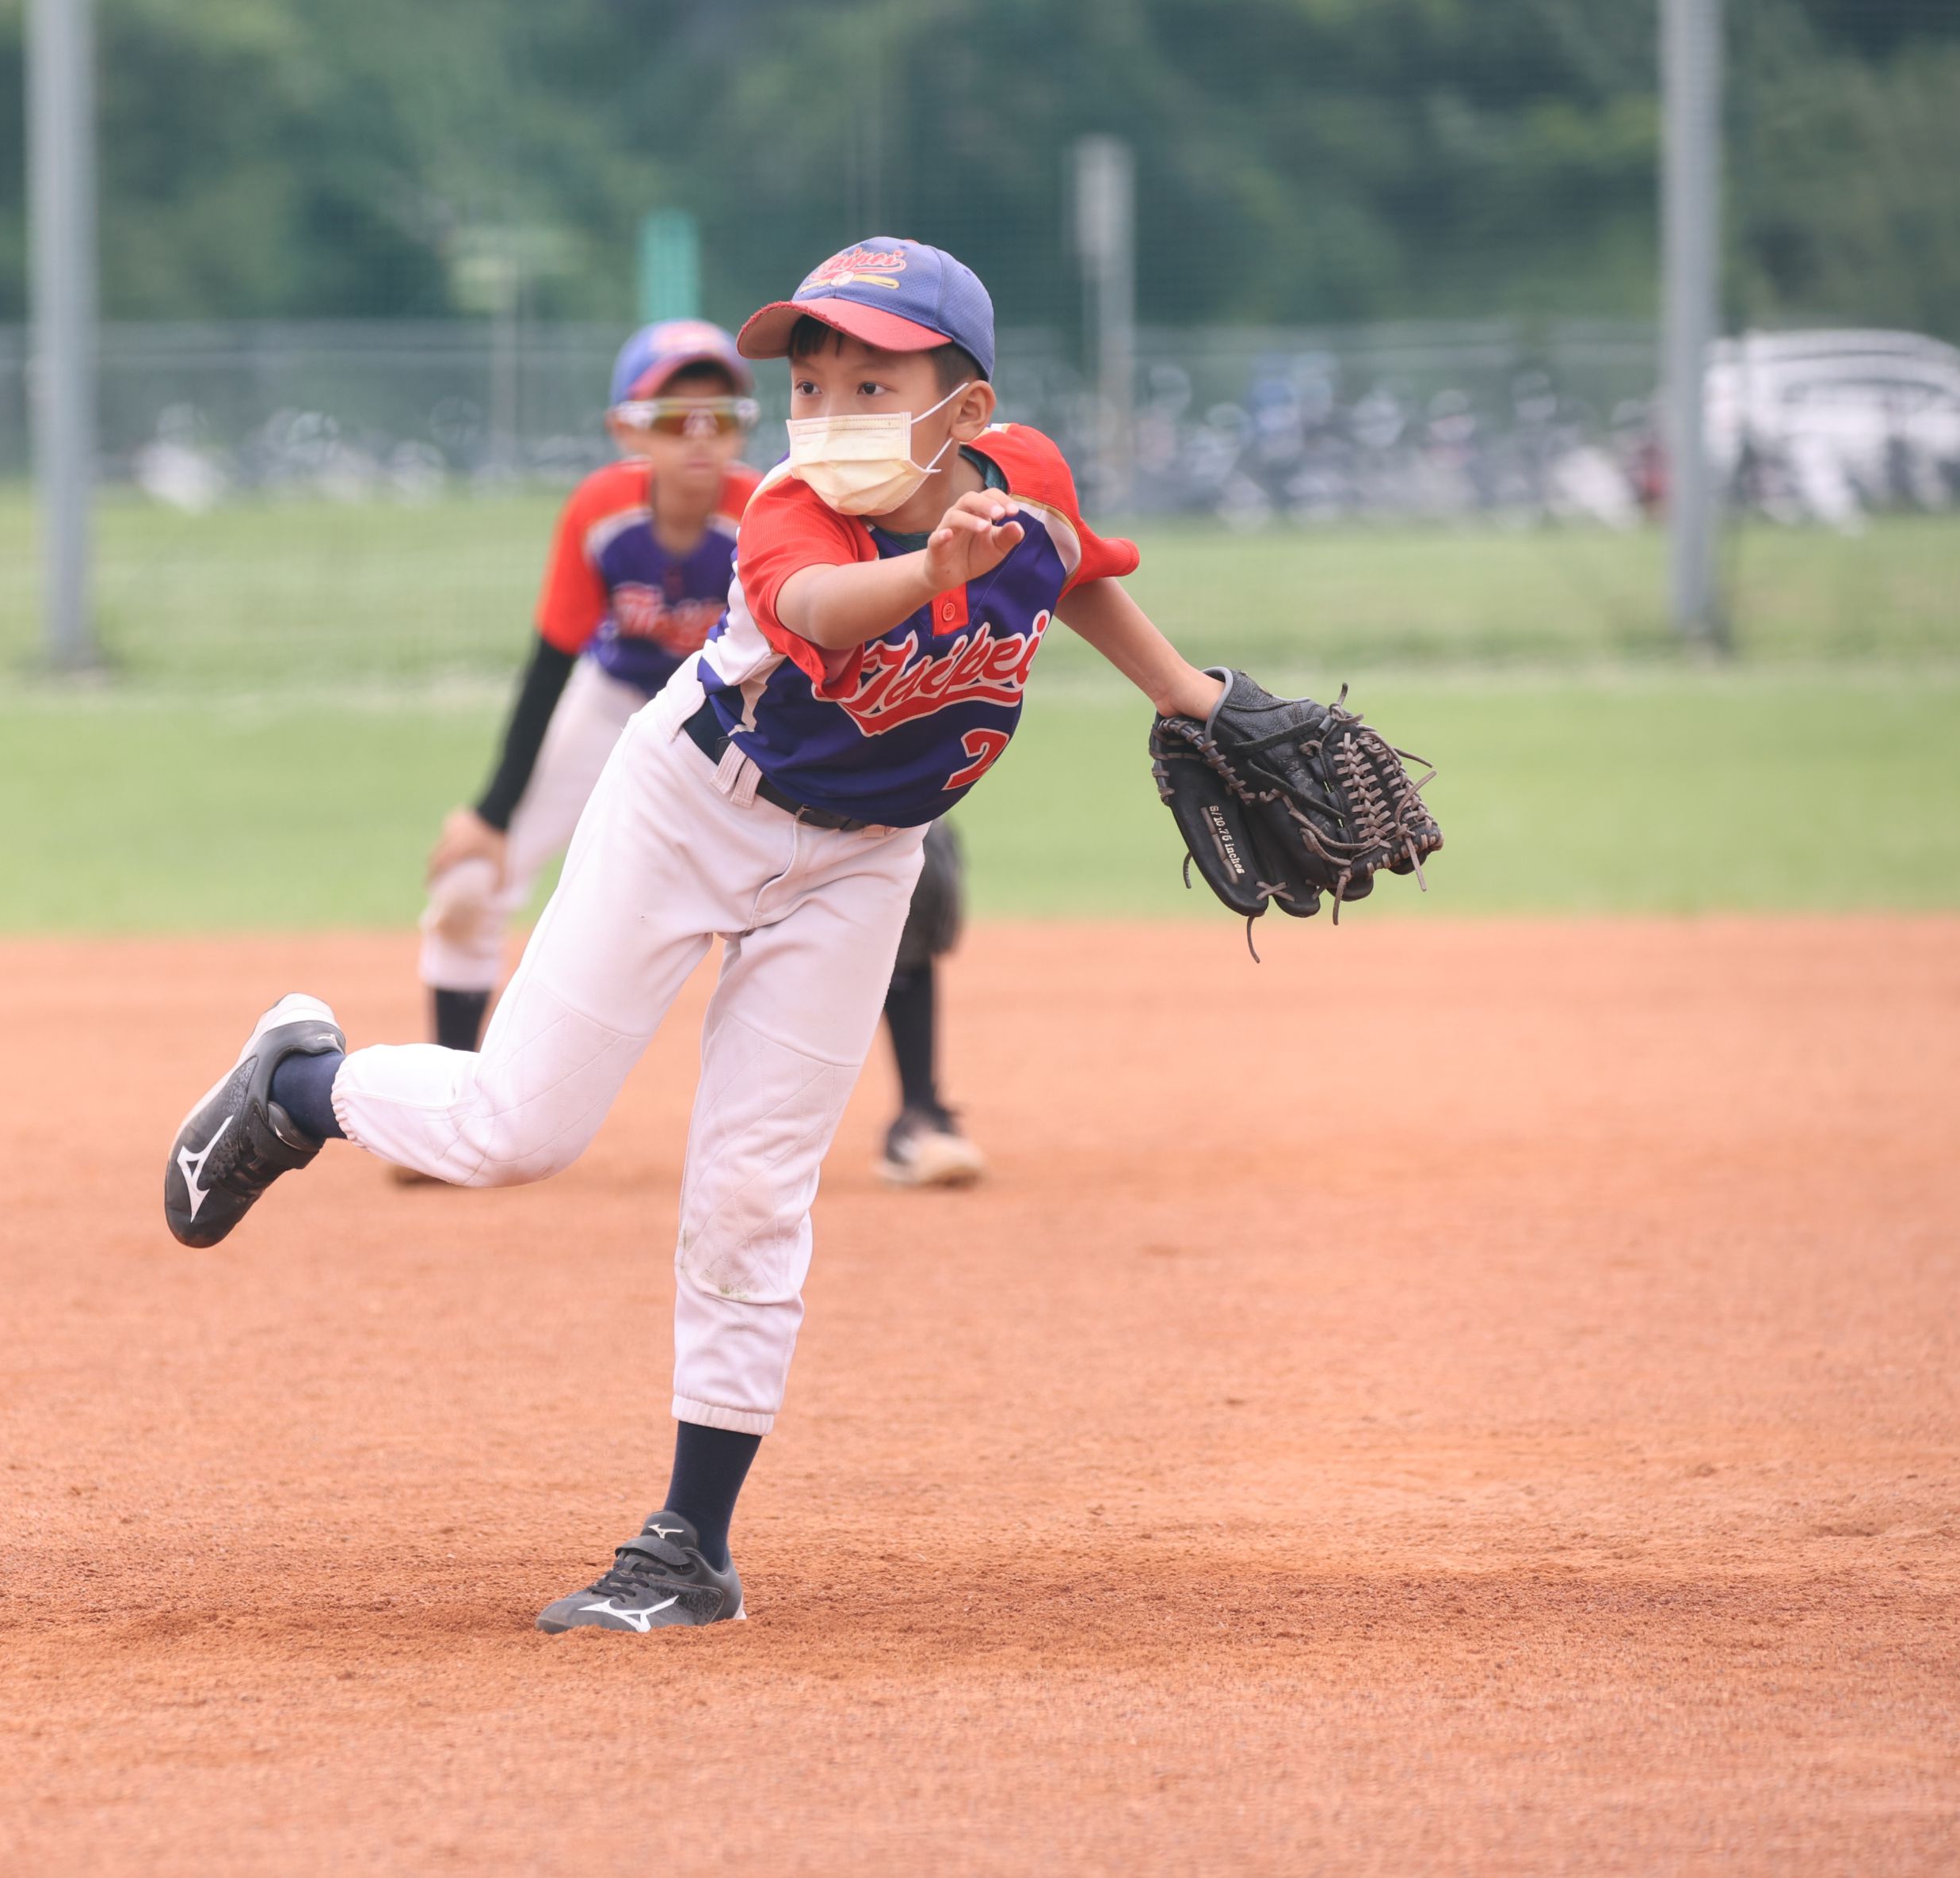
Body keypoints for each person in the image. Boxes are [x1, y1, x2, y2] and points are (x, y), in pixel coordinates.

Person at [162, 238, 1226, 1632]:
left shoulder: (1022, 482)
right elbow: (814, 608)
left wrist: (1196, 702)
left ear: (966, 409)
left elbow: (1075, 568)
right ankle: (298, 1084)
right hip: (691, 811)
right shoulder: (788, 510)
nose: (828, 410)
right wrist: (931, 571)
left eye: (872, 383)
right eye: (812, 381)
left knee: (754, 1187)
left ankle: (689, 1551)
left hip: (863, 862)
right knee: (514, 1130)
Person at [414, 318, 985, 1188]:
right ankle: (451, 1107)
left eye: (719, 418)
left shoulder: (771, 508)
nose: (698, 439)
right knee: (464, 884)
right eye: (673, 418)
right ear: (627, 430)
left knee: (886, 876)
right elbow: (551, 662)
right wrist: (493, 814)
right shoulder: (601, 514)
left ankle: (921, 1114)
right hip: (615, 706)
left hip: (748, 718)